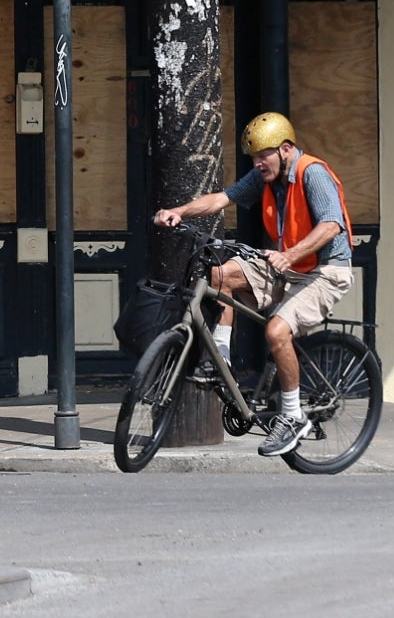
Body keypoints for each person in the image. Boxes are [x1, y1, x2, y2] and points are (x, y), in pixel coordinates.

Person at [151, 112, 354, 458]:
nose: (257, 163)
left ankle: (292, 416)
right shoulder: (266, 178)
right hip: (288, 266)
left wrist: (289, 256)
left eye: (263, 155)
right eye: (253, 158)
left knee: (276, 332)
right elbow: (221, 198)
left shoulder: (312, 173)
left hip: (325, 270)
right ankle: (223, 357)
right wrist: (180, 211)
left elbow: (332, 225)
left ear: (286, 149)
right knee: (218, 275)